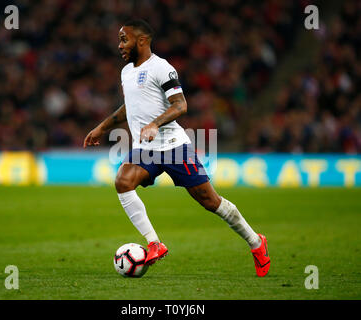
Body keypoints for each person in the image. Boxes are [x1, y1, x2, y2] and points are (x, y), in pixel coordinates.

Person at [83, 19, 270, 277]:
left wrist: (155, 124)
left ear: (142, 40)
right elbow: (131, 107)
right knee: (123, 181)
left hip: (174, 147)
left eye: (124, 39)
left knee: (210, 201)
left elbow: (181, 105)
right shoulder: (126, 72)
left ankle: (256, 242)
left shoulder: (162, 68)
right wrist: (103, 127)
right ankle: (154, 243)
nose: (119, 45)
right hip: (145, 149)